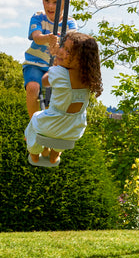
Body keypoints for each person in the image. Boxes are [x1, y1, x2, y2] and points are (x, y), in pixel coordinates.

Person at [24, 31, 102, 167]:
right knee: (63, 132)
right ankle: (54, 156)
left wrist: (55, 66)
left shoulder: (59, 72)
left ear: (81, 59)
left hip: (51, 125)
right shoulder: (89, 78)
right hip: (74, 129)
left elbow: (45, 81)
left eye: (68, 51)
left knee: (35, 119)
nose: (61, 52)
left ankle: (34, 154)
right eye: (63, 47)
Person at [23, 0, 77, 117]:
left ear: (65, 3)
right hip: (35, 63)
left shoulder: (70, 24)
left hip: (57, 66)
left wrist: (59, 48)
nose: (50, 6)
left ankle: (55, 121)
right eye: (46, 1)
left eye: (55, 2)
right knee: (33, 87)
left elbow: (71, 47)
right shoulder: (38, 17)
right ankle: (34, 122)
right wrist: (47, 38)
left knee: (64, 93)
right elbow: (36, 36)